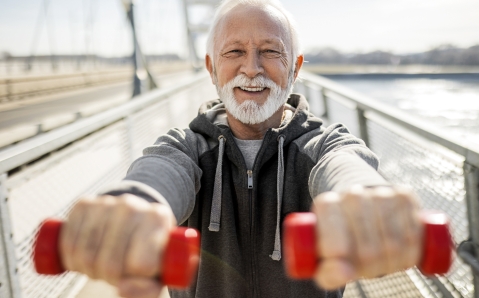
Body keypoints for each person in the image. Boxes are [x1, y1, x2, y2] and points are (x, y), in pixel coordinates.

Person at [59, 0, 423, 297]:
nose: (251, 69)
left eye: (270, 51)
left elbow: (344, 164)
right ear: (211, 68)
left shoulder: (322, 143)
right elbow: (159, 172)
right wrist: (137, 202)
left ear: (295, 68)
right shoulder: (186, 147)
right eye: (234, 52)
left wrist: (362, 194)